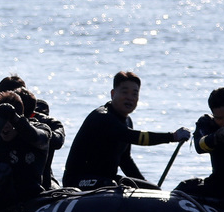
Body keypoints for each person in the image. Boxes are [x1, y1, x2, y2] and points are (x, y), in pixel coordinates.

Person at [62, 71, 190, 190]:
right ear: (113, 94)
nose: (130, 97)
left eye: (134, 94)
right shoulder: (102, 117)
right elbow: (134, 137)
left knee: (152, 189)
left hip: (106, 179)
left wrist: (146, 187)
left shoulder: (127, 121)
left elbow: (125, 160)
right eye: (125, 92)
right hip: (77, 181)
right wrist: (172, 137)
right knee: (110, 185)